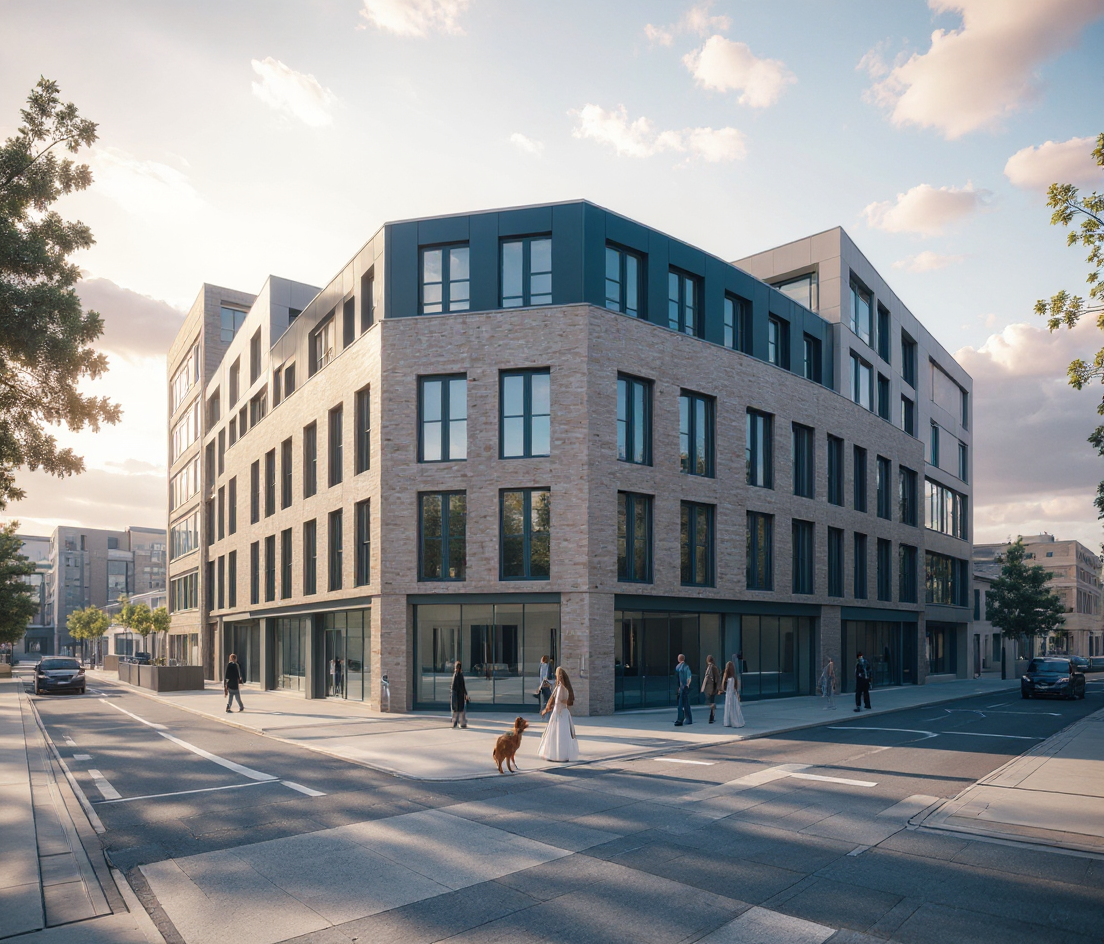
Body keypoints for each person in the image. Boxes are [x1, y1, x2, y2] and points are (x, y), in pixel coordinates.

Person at [538, 667, 579, 762]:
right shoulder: (561, 687)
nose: (558, 677)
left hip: (560, 714)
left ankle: (559, 755)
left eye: (559, 675)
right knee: (558, 735)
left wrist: (549, 709)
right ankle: (558, 755)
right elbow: (558, 701)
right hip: (561, 713)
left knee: (559, 735)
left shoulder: (561, 688)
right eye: (558, 675)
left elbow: (559, 702)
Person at [721, 661, 744, 727]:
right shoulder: (734, 677)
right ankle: (735, 721)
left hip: (728, 695)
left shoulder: (726, 678)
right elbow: (735, 689)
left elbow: (724, 688)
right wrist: (737, 695)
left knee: (728, 709)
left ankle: (727, 722)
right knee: (734, 709)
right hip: (733, 695)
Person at [674, 653, 693, 726]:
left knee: (680, 704)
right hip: (684, 687)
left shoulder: (679, 667)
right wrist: (688, 685)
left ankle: (680, 719)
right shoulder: (685, 666)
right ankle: (689, 719)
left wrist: (681, 686)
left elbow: (679, 679)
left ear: (679, 659)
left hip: (682, 688)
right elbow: (689, 677)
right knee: (686, 704)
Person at [701, 655, 721, 724]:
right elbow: (717, 679)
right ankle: (712, 716)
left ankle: (711, 716)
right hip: (713, 688)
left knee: (710, 701)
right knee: (711, 702)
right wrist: (718, 688)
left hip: (709, 688)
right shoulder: (714, 667)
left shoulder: (709, 668)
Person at [450, 661, 469, 728]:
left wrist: (465, 694)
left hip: (459, 695)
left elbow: (461, 686)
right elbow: (456, 687)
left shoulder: (458, 675)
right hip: (458, 695)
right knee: (458, 710)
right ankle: (458, 723)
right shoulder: (457, 675)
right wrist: (465, 694)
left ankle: (458, 722)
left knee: (458, 710)